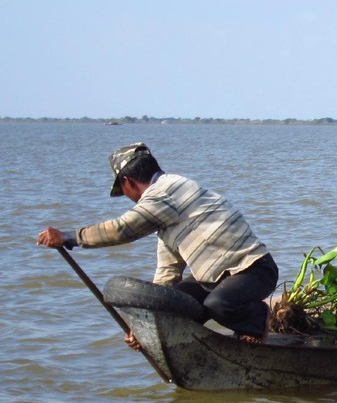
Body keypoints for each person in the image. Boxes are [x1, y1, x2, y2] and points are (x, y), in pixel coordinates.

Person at [37, 143, 278, 346]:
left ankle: (258, 320)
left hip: (253, 269)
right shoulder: (164, 215)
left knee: (218, 304)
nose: (129, 198)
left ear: (127, 182)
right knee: (174, 303)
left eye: (124, 191)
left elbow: (123, 229)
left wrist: (69, 237)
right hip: (213, 279)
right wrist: (146, 327)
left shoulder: (166, 192)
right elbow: (167, 273)